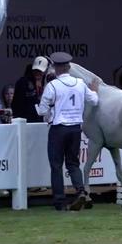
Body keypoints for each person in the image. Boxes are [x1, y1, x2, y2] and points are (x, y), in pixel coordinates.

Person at [36, 52, 99, 211]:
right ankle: (80, 192)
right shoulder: (79, 83)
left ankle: (60, 201)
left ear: (56, 69)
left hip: (58, 129)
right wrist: (95, 90)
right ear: (69, 67)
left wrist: (46, 107)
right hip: (75, 129)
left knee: (56, 165)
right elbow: (94, 100)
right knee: (73, 163)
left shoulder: (52, 86)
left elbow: (42, 111)